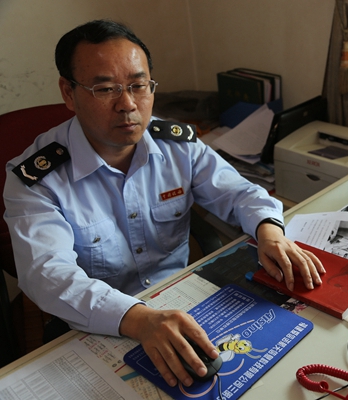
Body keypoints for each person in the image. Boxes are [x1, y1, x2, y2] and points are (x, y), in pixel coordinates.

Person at [3, 19, 324, 388]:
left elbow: (238, 192)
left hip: (185, 302)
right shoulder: (35, 178)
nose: (127, 105)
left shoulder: (176, 144)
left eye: (138, 86)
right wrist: (140, 319)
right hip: (100, 323)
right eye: (105, 89)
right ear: (69, 92)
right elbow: (48, 275)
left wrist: (270, 232)